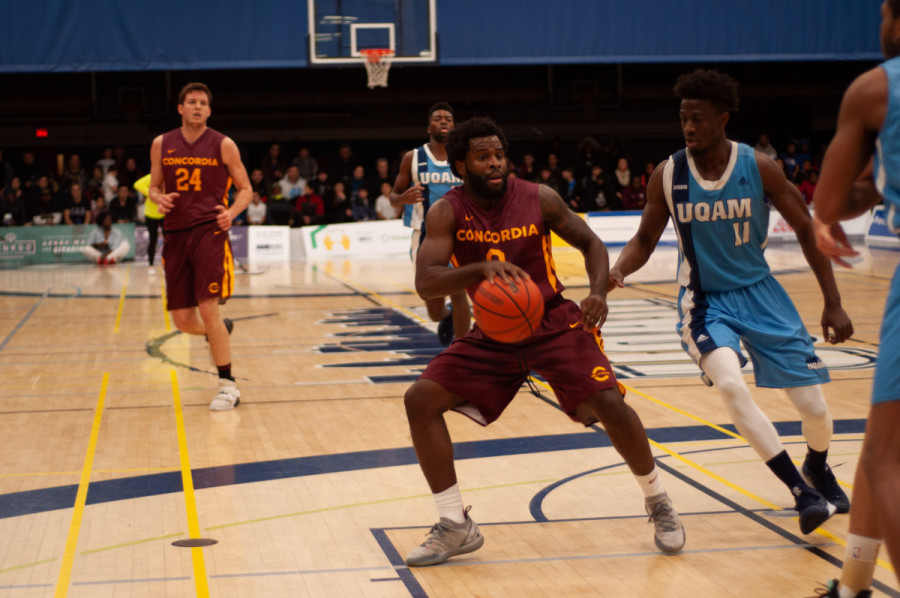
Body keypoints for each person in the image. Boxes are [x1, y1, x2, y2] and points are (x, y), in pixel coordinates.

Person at [402, 116, 685, 567]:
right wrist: (479, 270)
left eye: (499, 154)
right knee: (420, 399)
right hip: (493, 333)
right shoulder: (447, 211)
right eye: (483, 157)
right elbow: (426, 282)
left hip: (552, 320)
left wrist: (597, 292)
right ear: (460, 166)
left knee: (608, 402)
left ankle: (658, 499)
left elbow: (591, 243)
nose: (495, 163)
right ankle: (454, 523)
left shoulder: (539, 197)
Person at [608, 69, 853, 538]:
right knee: (730, 384)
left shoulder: (759, 167)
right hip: (705, 303)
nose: (688, 127)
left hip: (761, 295)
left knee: (815, 410)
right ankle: (801, 493)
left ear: (723, 118)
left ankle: (817, 467)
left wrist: (833, 302)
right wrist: (617, 272)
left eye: (698, 118)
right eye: (683, 118)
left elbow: (806, 229)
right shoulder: (669, 174)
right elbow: (643, 239)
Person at [811, 2, 900, 595]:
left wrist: (835, 211)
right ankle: (853, 586)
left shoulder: (876, 88)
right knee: (880, 441)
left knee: (886, 459)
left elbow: (829, 202)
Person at [148, 82, 252, 411]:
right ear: (181, 108)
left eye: (203, 103)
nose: (197, 107)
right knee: (182, 321)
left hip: (209, 232)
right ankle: (219, 330)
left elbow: (246, 188)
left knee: (208, 309)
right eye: (192, 102)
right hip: (175, 235)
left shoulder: (223, 144)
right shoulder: (161, 143)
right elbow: (153, 186)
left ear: (209, 110)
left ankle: (228, 385)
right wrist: (158, 198)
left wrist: (231, 213)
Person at [390, 102, 471, 345]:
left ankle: (463, 350)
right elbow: (393, 197)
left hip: (460, 234)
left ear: (454, 126)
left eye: (448, 118)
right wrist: (402, 199)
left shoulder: (464, 158)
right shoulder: (412, 158)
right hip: (426, 235)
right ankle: (445, 316)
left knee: (459, 290)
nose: (443, 121)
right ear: (429, 127)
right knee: (434, 309)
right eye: (437, 118)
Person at [134, 174, 164, 267]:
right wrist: (152, 194)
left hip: (165, 212)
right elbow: (137, 184)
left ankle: (168, 261)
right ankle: (151, 263)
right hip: (151, 213)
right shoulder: (153, 176)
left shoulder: (168, 175)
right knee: (153, 239)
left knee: (168, 239)